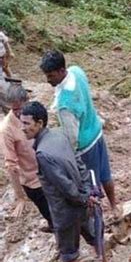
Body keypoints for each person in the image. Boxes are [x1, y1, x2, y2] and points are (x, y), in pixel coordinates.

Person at [21, 101, 110, 262]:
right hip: (83, 202)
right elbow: (79, 162)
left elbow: (65, 187)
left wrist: (82, 197)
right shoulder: (60, 136)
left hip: (65, 211)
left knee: (68, 251)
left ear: (40, 123)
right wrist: (88, 193)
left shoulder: (43, 153)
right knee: (93, 233)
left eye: (27, 124)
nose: (23, 128)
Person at [39, 50, 118, 214]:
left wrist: (69, 159)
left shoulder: (65, 105)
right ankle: (114, 206)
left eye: (51, 75)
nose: (48, 80)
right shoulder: (76, 71)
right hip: (96, 131)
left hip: (86, 146)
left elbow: (72, 138)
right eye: (46, 75)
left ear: (61, 71)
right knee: (105, 175)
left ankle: (97, 221)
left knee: (91, 187)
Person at [0, 85, 53, 231]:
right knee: (49, 212)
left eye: (20, 108)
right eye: (14, 109)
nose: (18, 113)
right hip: (34, 181)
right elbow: (11, 166)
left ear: (27, 101)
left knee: (61, 208)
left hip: (49, 170)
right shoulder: (6, 130)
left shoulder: (34, 114)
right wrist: (20, 197)